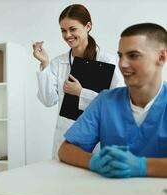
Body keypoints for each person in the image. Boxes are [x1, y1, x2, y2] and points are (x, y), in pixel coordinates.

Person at [59, 23, 167, 178]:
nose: (122, 64)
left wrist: (143, 166)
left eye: (133, 55)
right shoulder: (106, 101)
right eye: (120, 55)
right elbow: (66, 149)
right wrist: (94, 161)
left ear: (161, 57)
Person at [32, 4, 123, 159]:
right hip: (64, 139)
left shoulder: (108, 61)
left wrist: (81, 93)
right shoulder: (57, 63)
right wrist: (45, 64)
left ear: (88, 26)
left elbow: (118, 106)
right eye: (63, 30)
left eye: (72, 29)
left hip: (96, 142)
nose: (67, 35)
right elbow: (48, 100)